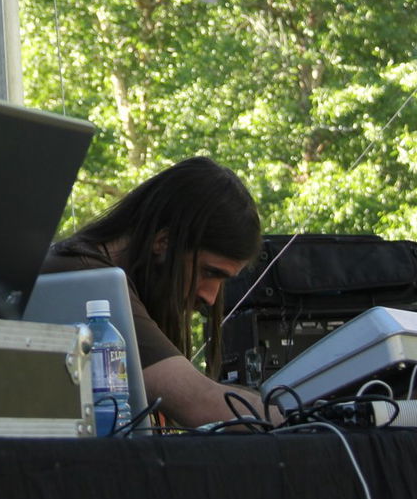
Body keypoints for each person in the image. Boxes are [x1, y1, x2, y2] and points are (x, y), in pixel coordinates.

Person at [42, 157, 272, 427]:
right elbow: (198, 402)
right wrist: (300, 415)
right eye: (209, 272)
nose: (211, 298)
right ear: (164, 242)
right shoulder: (88, 282)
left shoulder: (94, 272)